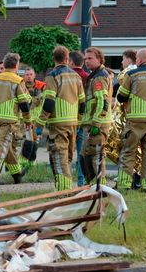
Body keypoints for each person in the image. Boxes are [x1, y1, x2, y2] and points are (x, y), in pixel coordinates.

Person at [35, 46, 85, 191]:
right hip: (73, 123)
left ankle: (64, 190)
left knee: (60, 155)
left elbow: (49, 101)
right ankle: (64, 186)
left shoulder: (53, 75)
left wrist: (40, 122)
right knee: (68, 156)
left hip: (58, 123)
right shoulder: (76, 76)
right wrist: (79, 120)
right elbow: (82, 103)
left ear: (53, 59)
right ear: (67, 59)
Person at [0, 52, 31, 185]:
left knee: (5, 147)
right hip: (10, 121)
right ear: (16, 65)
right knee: (2, 147)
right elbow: (24, 104)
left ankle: (17, 173)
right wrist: (28, 120)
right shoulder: (18, 80)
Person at [115, 48, 146, 192]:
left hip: (135, 120)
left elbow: (121, 96)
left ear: (139, 60)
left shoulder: (132, 74)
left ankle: (123, 185)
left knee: (129, 152)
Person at [80, 47, 111, 185]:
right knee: (86, 156)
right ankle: (94, 186)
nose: (87, 61)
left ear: (99, 59)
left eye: (90, 58)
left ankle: (100, 187)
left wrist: (96, 123)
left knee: (96, 156)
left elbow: (102, 101)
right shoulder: (94, 75)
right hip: (91, 123)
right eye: (85, 59)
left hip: (97, 124)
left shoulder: (99, 76)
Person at [69, 50, 89, 186]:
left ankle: (66, 182)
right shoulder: (88, 77)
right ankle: (81, 183)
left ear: (71, 62)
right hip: (83, 119)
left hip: (68, 118)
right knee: (81, 152)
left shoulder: (67, 76)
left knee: (66, 153)